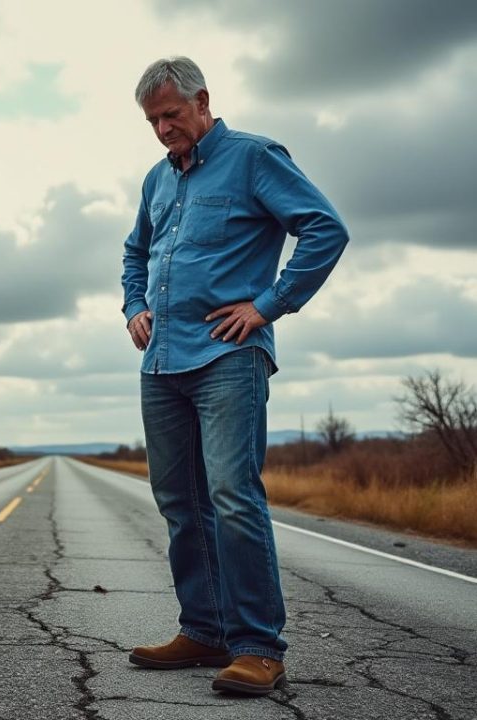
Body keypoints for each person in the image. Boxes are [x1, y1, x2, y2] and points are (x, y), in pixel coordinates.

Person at [120, 57, 348, 696]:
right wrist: (134, 305)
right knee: (179, 501)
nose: (164, 128)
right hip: (162, 361)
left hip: (228, 358)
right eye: (153, 120)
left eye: (171, 114)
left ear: (202, 101)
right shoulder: (156, 181)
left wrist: (268, 305)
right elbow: (134, 250)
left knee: (231, 496)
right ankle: (203, 629)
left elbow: (325, 229)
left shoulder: (253, 157)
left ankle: (257, 647)